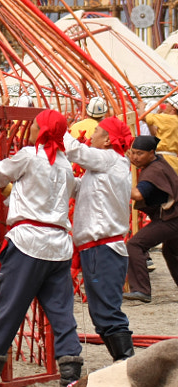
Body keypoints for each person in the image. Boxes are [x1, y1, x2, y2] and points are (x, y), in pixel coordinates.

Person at [0, 110, 82, 387]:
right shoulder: (65, 165)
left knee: (9, 309)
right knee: (62, 313)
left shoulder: (29, 155)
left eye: (34, 125)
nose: (30, 129)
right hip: (58, 247)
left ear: (42, 130)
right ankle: (71, 377)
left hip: (27, 244)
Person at [63, 117, 135, 361]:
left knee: (107, 313)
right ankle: (123, 363)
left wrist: (57, 128)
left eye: (97, 132)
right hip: (98, 249)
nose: (91, 135)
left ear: (107, 140)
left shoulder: (109, 158)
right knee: (101, 313)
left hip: (102, 249)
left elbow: (75, 150)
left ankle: (126, 364)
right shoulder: (107, 166)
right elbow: (78, 187)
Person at [124, 135, 178, 304]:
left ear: (151, 152)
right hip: (173, 217)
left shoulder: (154, 171)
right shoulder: (158, 162)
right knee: (171, 251)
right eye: (133, 153)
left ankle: (141, 290)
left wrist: (114, 184)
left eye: (139, 153)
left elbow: (138, 194)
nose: (135, 157)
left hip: (171, 218)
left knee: (134, 245)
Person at [143, 96, 178, 173]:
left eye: (168, 103)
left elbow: (144, 116)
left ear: (173, 109)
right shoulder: (173, 120)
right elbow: (155, 133)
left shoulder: (169, 119)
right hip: (173, 160)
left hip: (165, 159)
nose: (166, 104)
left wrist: (141, 106)